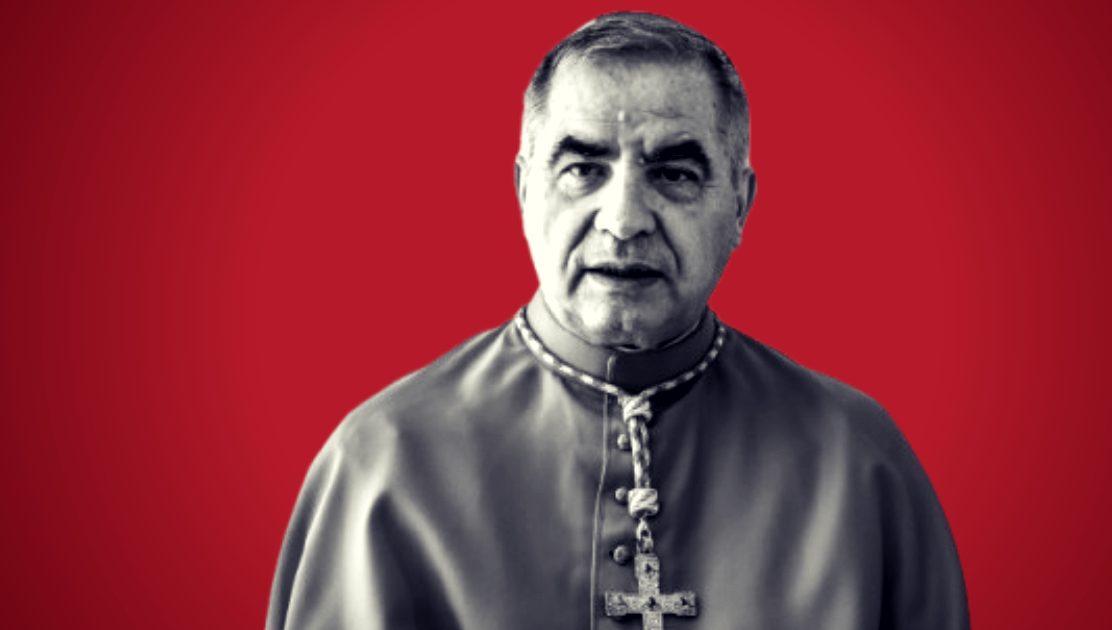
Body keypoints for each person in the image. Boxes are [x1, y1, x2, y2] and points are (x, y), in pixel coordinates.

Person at [267, 11, 969, 630]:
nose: (626, 220)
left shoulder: (861, 463)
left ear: (740, 205)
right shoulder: (383, 465)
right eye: (582, 168)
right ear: (523, 190)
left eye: (675, 173)